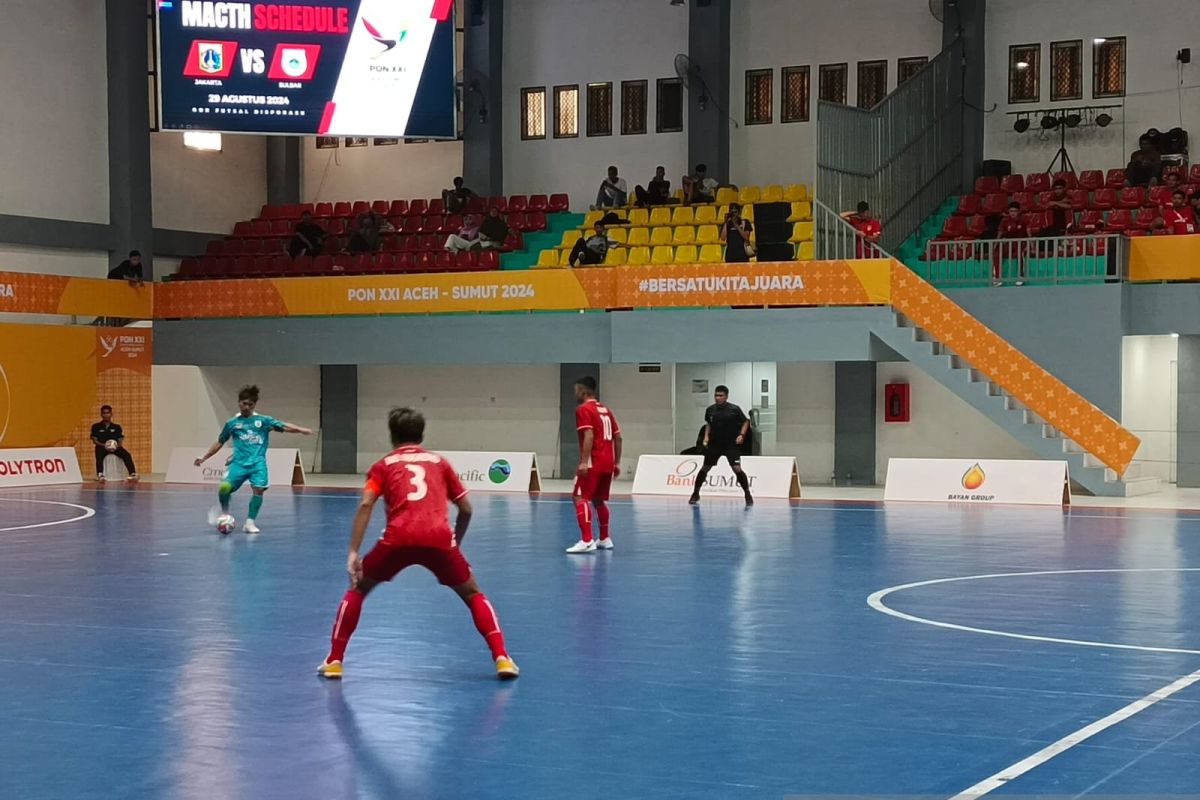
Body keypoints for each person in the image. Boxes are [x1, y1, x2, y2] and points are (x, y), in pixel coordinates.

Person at [317, 407, 519, 681]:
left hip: (397, 538)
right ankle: (502, 658)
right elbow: (467, 509)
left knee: (358, 588)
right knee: (473, 594)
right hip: (438, 539)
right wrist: (455, 543)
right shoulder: (440, 463)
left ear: (392, 435)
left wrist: (353, 551)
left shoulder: (383, 465)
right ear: (421, 434)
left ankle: (334, 661)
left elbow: (366, 503)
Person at [193, 384, 312, 534]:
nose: (247, 407)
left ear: (254, 405)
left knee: (259, 489)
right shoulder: (232, 424)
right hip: (239, 464)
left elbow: (284, 426)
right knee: (224, 489)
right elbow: (219, 442)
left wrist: (301, 430)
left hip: (257, 464)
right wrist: (204, 458)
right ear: (239, 403)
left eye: (250, 404)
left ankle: (249, 523)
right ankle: (225, 513)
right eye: (244, 403)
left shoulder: (263, 421)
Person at [566, 376, 622, 554]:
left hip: (593, 462)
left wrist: (583, 461)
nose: (575, 394)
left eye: (576, 390)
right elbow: (618, 437)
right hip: (608, 462)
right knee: (599, 500)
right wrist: (618, 461)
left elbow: (588, 435)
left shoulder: (583, 409)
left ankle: (587, 540)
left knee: (579, 497)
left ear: (583, 391)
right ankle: (605, 538)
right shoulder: (606, 410)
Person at [689, 386, 753, 507]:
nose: (718, 398)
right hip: (715, 444)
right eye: (716, 395)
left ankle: (747, 494)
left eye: (720, 396)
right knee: (705, 468)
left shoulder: (734, 409)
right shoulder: (710, 410)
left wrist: (741, 435)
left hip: (730, 444)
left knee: (737, 469)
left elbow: (746, 421)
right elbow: (708, 424)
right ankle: (695, 493)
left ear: (726, 396)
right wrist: (706, 437)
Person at [90, 404, 138, 482]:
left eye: (108, 413)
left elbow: (120, 439)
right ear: (101, 414)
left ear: (111, 414)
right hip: (102, 446)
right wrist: (105, 446)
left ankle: (132, 473)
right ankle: (100, 474)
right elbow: (94, 440)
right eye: (104, 413)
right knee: (98, 453)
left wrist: (115, 446)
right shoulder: (96, 426)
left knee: (127, 454)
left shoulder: (117, 427)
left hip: (115, 447)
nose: (106, 415)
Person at [994, 202, 1029, 287]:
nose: (1013, 213)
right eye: (1011, 211)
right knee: (997, 254)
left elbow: (1029, 233)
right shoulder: (1005, 220)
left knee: (1019, 254)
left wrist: (1030, 246)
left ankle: (1021, 276)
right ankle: (997, 278)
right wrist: (995, 245)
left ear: (1019, 211)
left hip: (1021, 242)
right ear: (1008, 211)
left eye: (1015, 211)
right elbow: (1000, 233)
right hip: (1008, 242)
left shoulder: (1024, 219)